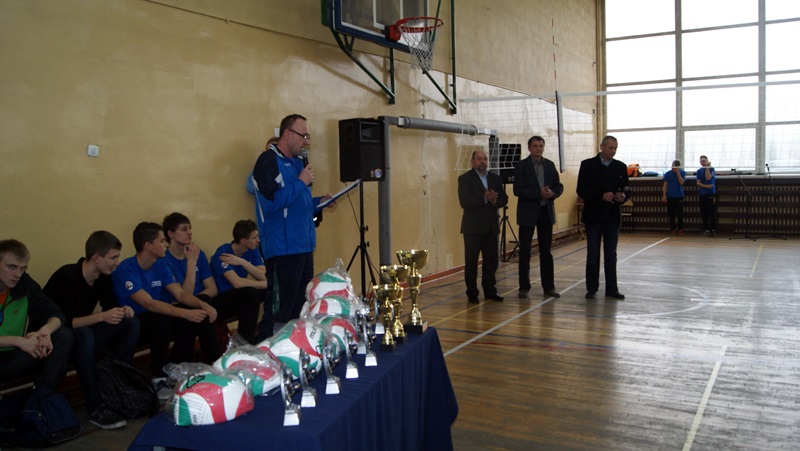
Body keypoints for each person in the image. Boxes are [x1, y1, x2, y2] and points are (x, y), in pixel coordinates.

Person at [112, 222, 221, 399]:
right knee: (163, 320)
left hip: (157, 316)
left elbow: (180, 294)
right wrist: (186, 313)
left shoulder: (160, 264)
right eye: (162, 241)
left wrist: (202, 305)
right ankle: (159, 377)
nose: (166, 244)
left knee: (192, 311)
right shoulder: (126, 269)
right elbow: (149, 304)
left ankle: (185, 368)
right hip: (134, 323)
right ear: (148, 245)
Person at [43, 231, 139, 430]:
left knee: (131, 324)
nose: (116, 263)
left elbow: (110, 306)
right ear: (96, 258)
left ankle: (118, 387)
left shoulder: (102, 277)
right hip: (58, 341)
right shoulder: (66, 277)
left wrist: (122, 311)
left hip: (83, 334)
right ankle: (95, 405)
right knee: (84, 335)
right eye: (113, 257)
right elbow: (63, 322)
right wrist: (102, 317)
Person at [251, 114, 334, 341]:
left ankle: (293, 351)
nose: (307, 142)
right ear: (287, 134)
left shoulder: (299, 164)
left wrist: (319, 202)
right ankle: (267, 353)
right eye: (303, 136)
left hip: (304, 247)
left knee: (300, 307)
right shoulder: (267, 162)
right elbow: (272, 204)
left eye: (308, 136)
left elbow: (298, 204)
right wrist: (300, 182)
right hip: (283, 250)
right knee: (279, 311)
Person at [0, 239, 74, 391]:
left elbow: (56, 314)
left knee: (63, 335)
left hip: (16, 355)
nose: (17, 274)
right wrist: (18, 341)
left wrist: (45, 331)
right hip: (9, 352)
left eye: (22, 268)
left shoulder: (23, 283)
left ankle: (41, 397)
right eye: (11, 267)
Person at [576, 136, 630, 300]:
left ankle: (612, 289)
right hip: (593, 216)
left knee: (611, 254)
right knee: (593, 253)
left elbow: (627, 189)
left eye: (615, 148)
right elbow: (581, 190)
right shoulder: (587, 165)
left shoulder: (620, 167)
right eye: (610, 148)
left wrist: (623, 196)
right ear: (602, 146)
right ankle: (591, 288)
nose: (613, 151)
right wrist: (601, 196)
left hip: (612, 216)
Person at [513, 136, 564, 299]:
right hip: (528, 214)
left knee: (546, 252)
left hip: (545, 213)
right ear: (529, 148)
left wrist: (552, 193)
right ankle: (524, 288)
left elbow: (559, 186)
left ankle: (549, 287)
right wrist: (538, 193)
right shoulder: (521, 166)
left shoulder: (549, 165)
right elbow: (517, 190)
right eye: (535, 146)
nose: (538, 148)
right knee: (525, 252)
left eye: (541, 146)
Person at [458, 149, 508, 304]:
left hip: (491, 227)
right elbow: (465, 202)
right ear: (472, 161)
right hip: (472, 228)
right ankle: (472, 293)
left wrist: (495, 201)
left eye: (485, 159)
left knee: (491, 261)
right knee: (471, 262)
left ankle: (490, 290)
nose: (482, 162)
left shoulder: (495, 178)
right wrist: (485, 199)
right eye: (479, 159)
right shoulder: (465, 179)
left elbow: (504, 198)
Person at [210, 220, 265, 344]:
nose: (258, 240)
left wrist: (243, 263)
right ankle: (244, 344)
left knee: (265, 291)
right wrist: (266, 284)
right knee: (251, 293)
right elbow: (237, 283)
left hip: (241, 296)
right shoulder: (223, 254)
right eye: (255, 237)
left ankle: (266, 333)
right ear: (244, 241)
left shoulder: (252, 250)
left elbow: (264, 276)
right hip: (221, 299)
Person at [662, 159, 686, 235]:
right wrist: (664, 195)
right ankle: (672, 229)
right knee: (671, 213)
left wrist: (678, 173)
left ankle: (680, 229)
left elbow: (682, 182)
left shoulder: (682, 172)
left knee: (680, 214)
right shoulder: (668, 174)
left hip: (679, 195)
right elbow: (665, 185)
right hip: (670, 196)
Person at [696, 155, 717, 236]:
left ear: (707, 161)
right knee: (704, 212)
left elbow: (708, 178)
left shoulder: (711, 169)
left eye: (704, 161)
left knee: (711, 211)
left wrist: (707, 168)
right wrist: (705, 186)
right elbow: (698, 182)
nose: (702, 162)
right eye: (701, 161)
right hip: (702, 193)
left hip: (710, 193)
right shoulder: (699, 171)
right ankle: (706, 229)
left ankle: (713, 229)